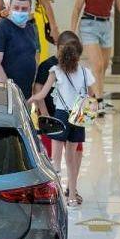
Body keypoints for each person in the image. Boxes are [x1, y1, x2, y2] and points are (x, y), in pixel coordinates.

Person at [30, 36, 97, 206]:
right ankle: (72, 196)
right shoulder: (85, 71)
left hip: (60, 116)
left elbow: (42, 94)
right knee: (71, 159)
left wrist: (29, 100)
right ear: (78, 55)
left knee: (55, 160)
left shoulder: (55, 70)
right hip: (78, 117)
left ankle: (55, 194)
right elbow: (93, 95)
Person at [33, 30, 82, 155]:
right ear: (60, 48)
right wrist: (45, 114)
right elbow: (38, 89)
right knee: (49, 153)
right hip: (51, 116)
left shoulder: (75, 66)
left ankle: (73, 175)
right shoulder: (46, 66)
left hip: (72, 117)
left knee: (76, 151)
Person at [0, 0, 42, 99]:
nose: (20, 11)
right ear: (9, 8)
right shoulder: (0, 30)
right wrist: (9, 91)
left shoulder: (30, 29)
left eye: (24, 9)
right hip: (5, 94)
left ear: (30, 9)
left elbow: (33, 57)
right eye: (16, 8)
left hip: (26, 93)